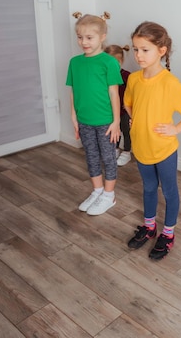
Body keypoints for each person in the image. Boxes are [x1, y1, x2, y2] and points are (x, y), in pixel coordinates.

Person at [123, 21, 181, 260]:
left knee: (169, 191)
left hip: (164, 149)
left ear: (162, 50)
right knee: (148, 188)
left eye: (145, 50)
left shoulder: (169, 82)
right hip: (141, 146)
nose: (138, 55)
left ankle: (168, 233)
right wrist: (134, 118)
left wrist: (176, 128)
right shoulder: (135, 79)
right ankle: (149, 227)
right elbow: (128, 101)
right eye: (136, 49)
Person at [66, 12, 122, 216]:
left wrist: (116, 122)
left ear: (102, 36)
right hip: (84, 120)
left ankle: (109, 195)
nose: (84, 42)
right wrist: (73, 116)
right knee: (90, 156)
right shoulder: (74, 63)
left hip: (106, 122)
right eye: (80, 37)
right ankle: (97, 190)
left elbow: (114, 94)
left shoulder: (108, 62)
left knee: (108, 158)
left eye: (89, 37)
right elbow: (74, 91)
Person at [104, 44, 132, 166]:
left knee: (126, 131)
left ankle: (126, 152)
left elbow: (132, 94)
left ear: (121, 61)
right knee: (114, 131)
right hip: (111, 110)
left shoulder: (127, 76)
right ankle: (114, 149)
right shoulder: (104, 76)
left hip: (125, 110)